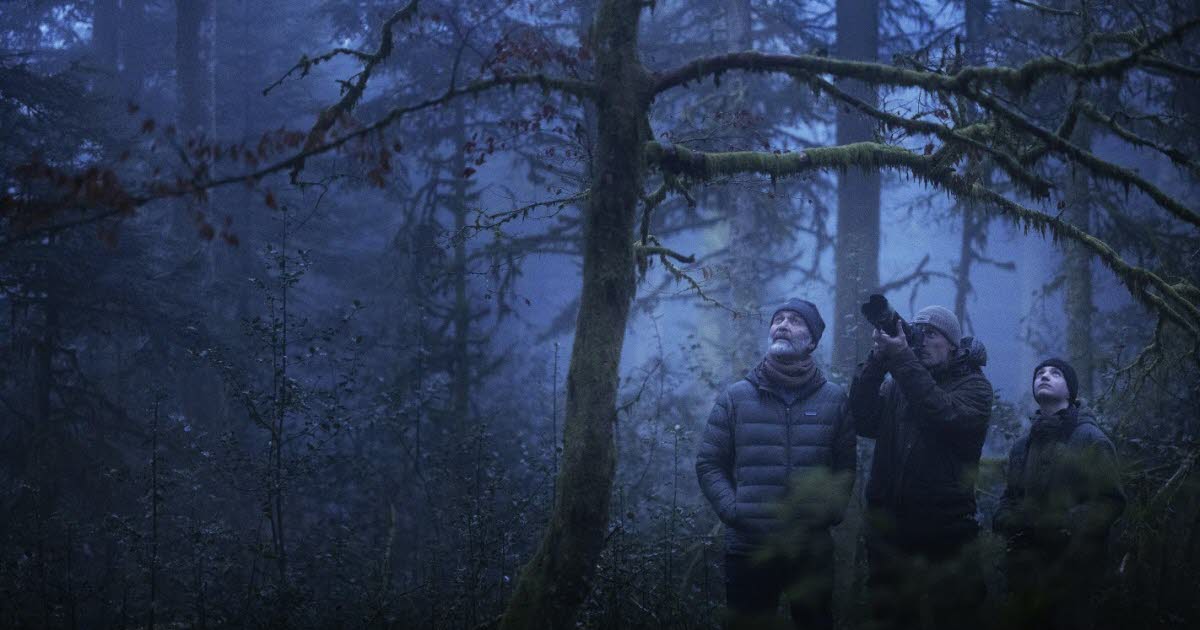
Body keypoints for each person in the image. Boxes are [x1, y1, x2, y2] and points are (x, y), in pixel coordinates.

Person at [696, 298, 856, 629]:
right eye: (778, 319)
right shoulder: (736, 397)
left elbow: (845, 468)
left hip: (811, 549)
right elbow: (709, 462)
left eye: (795, 321)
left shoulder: (834, 399)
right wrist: (734, 510)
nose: (782, 325)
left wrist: (831, 512)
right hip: (749, 548)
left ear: (811, 341)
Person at [848, 305, 992, 630]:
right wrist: (878, 359)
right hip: (891, 532)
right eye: (918, 333)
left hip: (947, 532)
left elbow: (942, 414)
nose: (922, 340)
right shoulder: (901, 383)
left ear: (952, 345)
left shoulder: (975, 387)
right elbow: (862, 418)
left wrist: (902, 360)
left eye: (931, 334)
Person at [992, 358, 1126, 630]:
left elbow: (1110, 501)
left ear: (1070, 391)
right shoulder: (1022, 446)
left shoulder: (1090, 439)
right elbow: (1010, 497)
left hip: (1074, 575)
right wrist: (1007, 521)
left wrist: (1065, 525)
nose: (1044, 376)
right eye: (1039, 373)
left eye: (1055, 373)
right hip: (1025, 574)